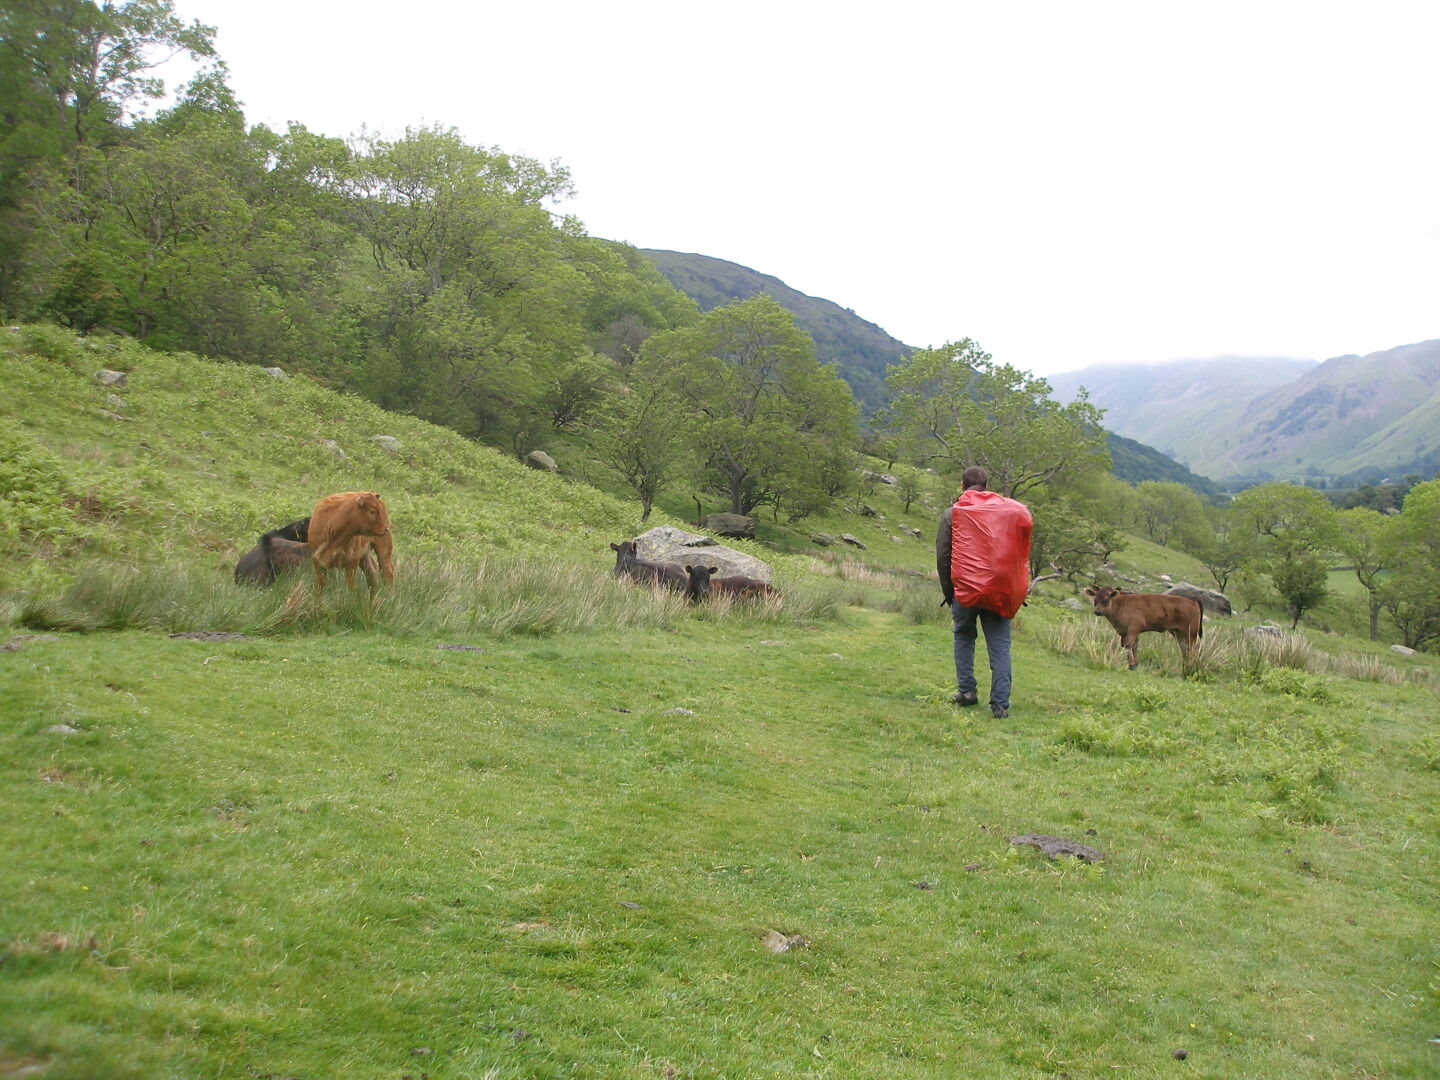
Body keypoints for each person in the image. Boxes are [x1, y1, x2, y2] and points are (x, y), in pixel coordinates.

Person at [935, 466, 1033, 718]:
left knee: (964, 637)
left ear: (962, 485)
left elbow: (944, 556)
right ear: (986, 487)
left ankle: (967, 692)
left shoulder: (952, 514)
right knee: (1000, 647)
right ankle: (1000, 704)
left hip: (965, 590)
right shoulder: (1005, 514)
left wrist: (950, 592)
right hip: (1000, 591)